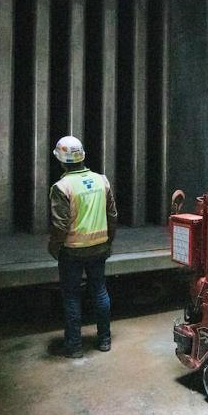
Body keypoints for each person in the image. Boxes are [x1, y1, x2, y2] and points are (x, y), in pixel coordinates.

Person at [49, 135, 118, 358]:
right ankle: (105, 340)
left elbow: (60, 226)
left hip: (72, 250)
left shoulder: (61, 187)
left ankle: (75, 347)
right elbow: (112, 215)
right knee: (99, 291)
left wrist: (54, 246)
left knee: (71, 297)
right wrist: (109, 242)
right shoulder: (102, 181)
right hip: (98, 247)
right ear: (82, 157)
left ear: (61, 161)